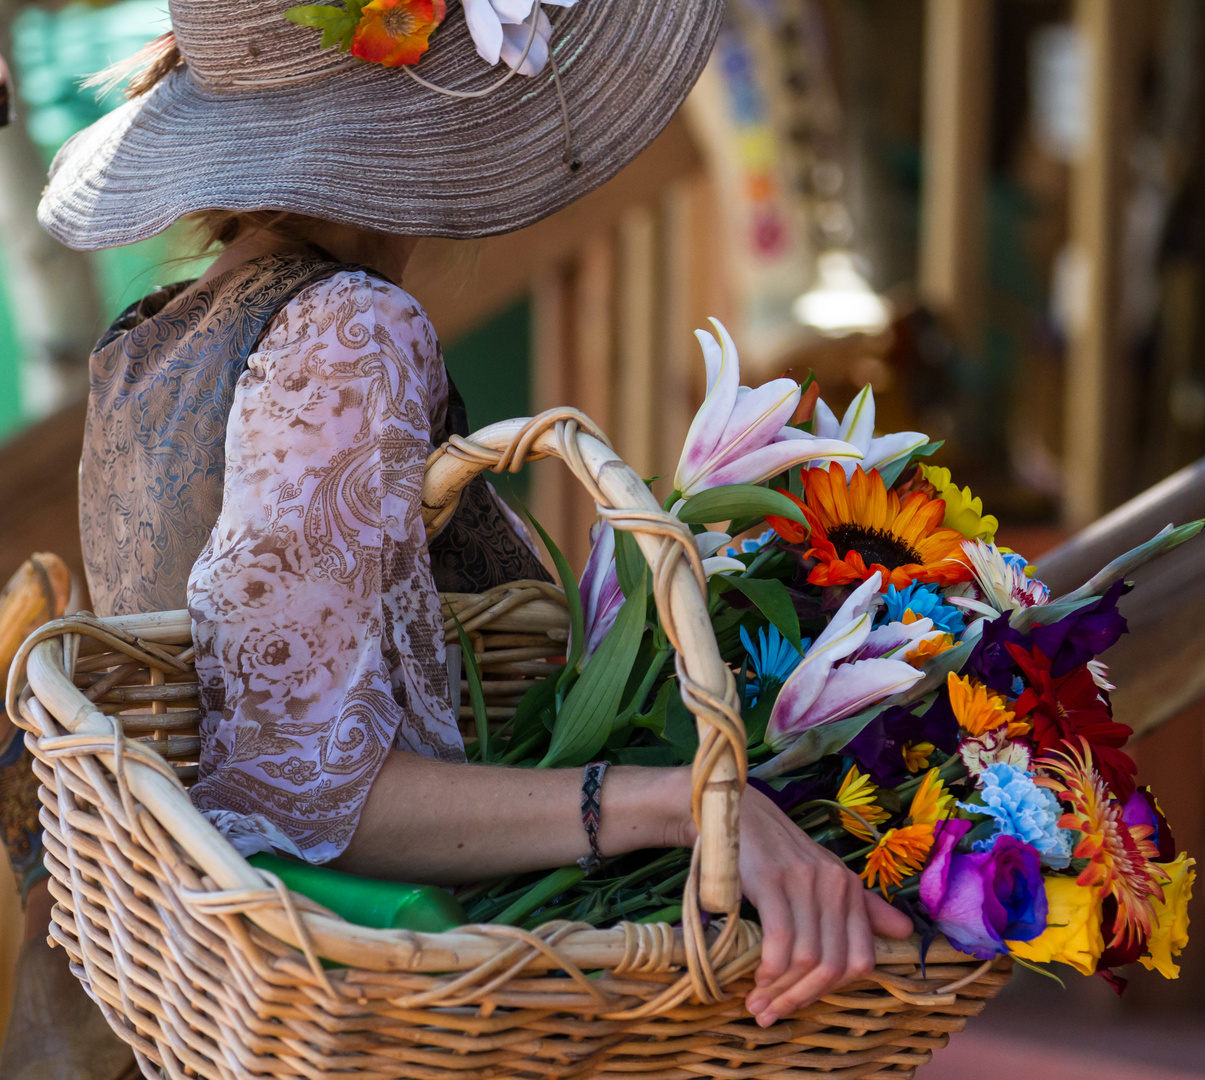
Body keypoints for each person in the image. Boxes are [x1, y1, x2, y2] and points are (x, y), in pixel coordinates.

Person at [7, 2, 914, 1074]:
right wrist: (688, 804)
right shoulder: (350, 331)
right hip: (365, 1012)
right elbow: (303, 797)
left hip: (187, 1012)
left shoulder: (151, 337)